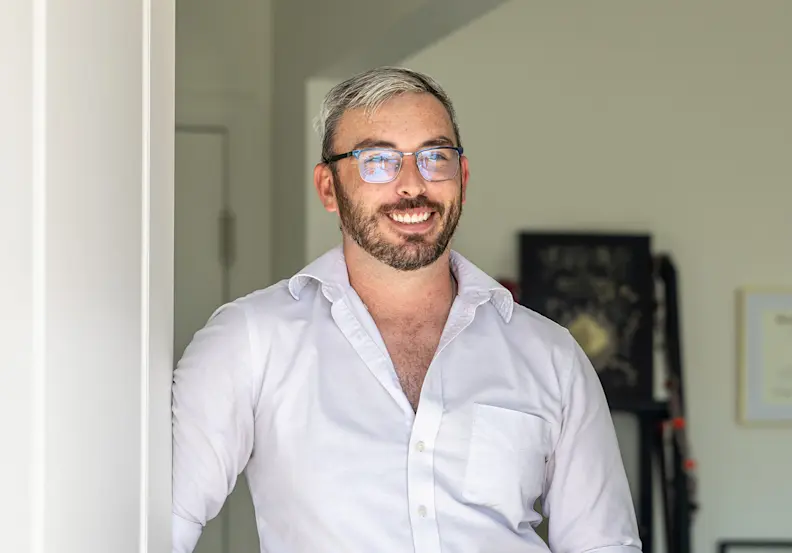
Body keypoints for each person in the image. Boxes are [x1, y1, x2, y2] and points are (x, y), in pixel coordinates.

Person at [171, 66, 642, 553]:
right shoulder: (250, 340)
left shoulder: (550, 355)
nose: (413, 184)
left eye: (435, 157)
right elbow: (160, 526)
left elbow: (604, 545)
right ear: (328, 188)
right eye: (378, 160)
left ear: (462, 177)